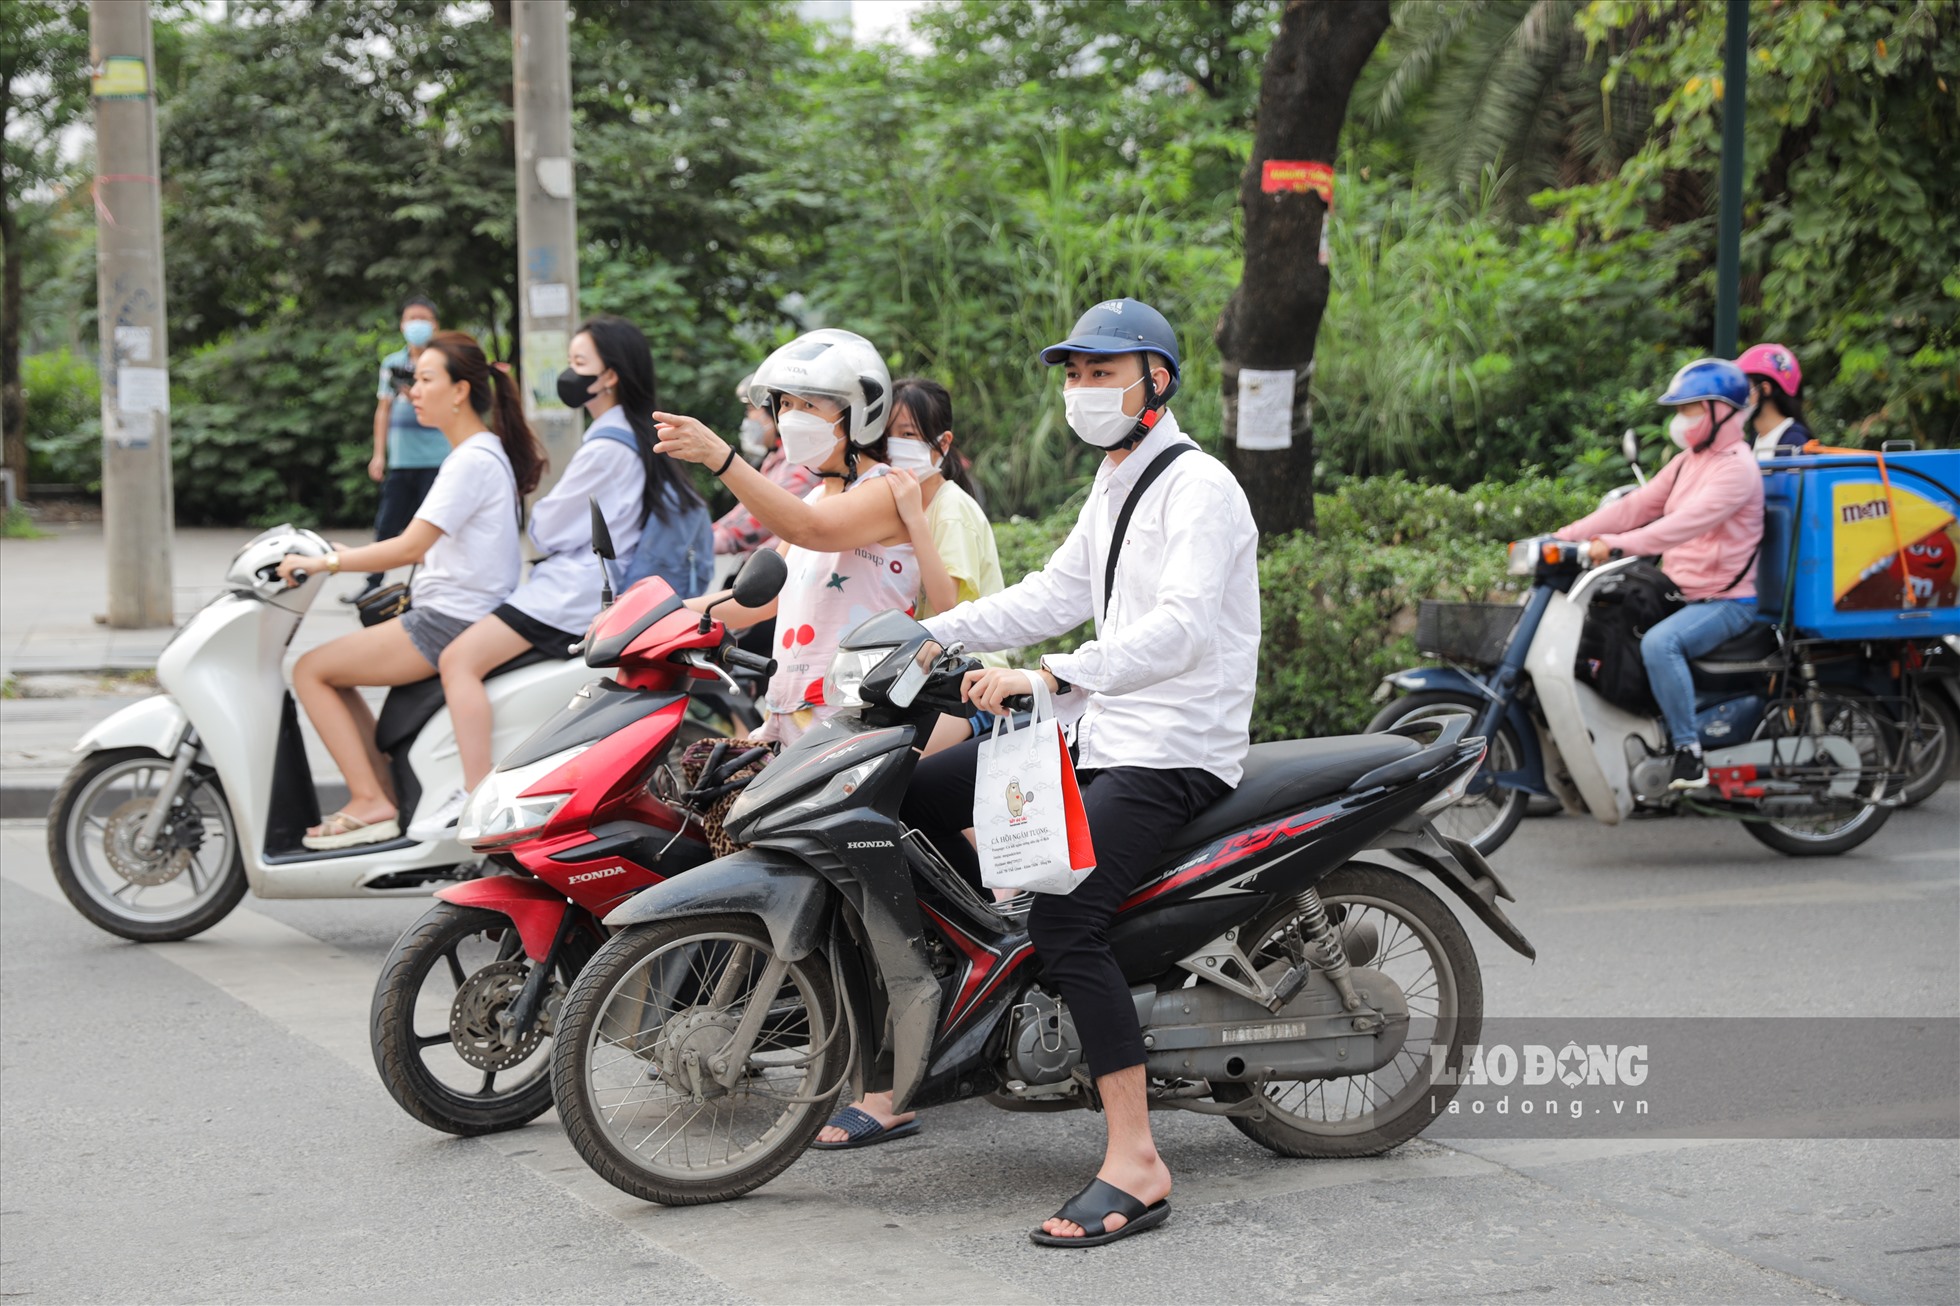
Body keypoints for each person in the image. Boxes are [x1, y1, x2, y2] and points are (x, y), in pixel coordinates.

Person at [895, 299, 1261, 1245]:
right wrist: (926, 633)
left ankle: (1136, 1158)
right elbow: (1054, 592)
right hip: (1102, 730)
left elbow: (1178, 629)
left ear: (1157, 381)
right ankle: (992, 973)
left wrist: (1051, 673)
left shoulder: (1201, 487)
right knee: (916, 795)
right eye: (1073, 374)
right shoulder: (1117, 481)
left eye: (1103, 372)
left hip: (1172, 748)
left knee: (1068, 915)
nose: (1081, 390)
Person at [407, 315, 707, 840]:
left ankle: (473, 795)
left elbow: (547, 527)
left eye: (578, 365)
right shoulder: (635, 436)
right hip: (586, 590)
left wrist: (543, 518)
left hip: (565, 595)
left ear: (609, 376)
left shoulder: (607, 444)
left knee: (459, 659)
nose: (569, 375)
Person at [275, 332, 543, 849]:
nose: (412, 392)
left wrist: (324, 563)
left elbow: (408, 547)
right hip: (461, 612)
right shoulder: (480, 453)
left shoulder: (471, 459)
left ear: (460, 390)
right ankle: (378, 792)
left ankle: (371, 800)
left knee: (309, 670)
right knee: (331, 672)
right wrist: (336, 555)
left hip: (448, 619)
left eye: (424, 380)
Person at [650, 329, 943, 749]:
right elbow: (760, 600)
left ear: (858, 412)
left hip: (850, 716)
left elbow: (811, 528)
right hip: (790, 709)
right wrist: (657, 615)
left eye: (807, 403)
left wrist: (720, 456)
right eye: (784, 403)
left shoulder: (885, 491)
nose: (790, 415)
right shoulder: (813, 497)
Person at [1556, 358, 1765, 786]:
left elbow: (1677, 526)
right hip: (1683, 591)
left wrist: (1617, 544)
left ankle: (1688, 751)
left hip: (1727, 602)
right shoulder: (1692, 460)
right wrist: (1563, 536)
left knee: (1659, 645)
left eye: (1689, 409)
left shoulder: (1737, 469)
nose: (1680, 420)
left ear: (1721, 411)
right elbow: (1638, 505)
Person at [882, 377, 1013, 754]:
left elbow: (948, 607)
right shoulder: (900, 508)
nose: (896, 445)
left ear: (942, 444)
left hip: (972, 684)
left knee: (900, 770)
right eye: (888, 434)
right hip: (921, 681)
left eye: (908, 434)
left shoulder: (950, 509)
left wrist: (914, 518)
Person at [349, 296, 453, 604]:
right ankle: (373, 583)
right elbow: (383, 410)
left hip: (437, 458)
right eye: (411, 318)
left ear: (435, 325)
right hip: (402, 458)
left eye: (424, 318)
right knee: (388, 522)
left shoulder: (444, 361)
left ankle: (434, 584)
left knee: (436, 525)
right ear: (402, 325)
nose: (417, 325)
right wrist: (379, 454)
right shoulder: (392, 363)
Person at [711, 374, 821, 557]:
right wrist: (711, 533)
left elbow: (769, 513)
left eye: (752, 409)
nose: (749, 418)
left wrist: (716, 540)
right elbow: (747, 508)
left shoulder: (801, 463)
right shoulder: (776, 459)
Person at [1735, 342, 1811, 460]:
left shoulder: (1794, 443)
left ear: (1765, 389)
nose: (1737, 394)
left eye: (1744, 386)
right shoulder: (1753, 442)